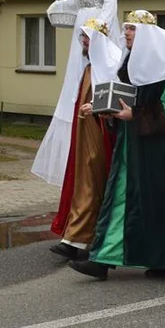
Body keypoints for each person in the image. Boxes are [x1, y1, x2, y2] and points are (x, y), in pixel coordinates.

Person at [70, 10, 165, 281]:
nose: (126, 34)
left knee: (157, 202)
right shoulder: (128, 64)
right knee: (120, 198)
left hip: (157, 152)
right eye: (126, 29)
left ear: (146, 34)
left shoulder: (164, 69)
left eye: (132, 29)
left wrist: (134, 116)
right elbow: (124, 98)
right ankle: (101, 258)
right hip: (130, 145)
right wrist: (102, 108)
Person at [33, 0, 155, 189]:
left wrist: (99, 28)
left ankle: (102, 118)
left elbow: (110, 2)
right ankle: (74, 140)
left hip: (99, 27)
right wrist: (59, 4)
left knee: (101, 70)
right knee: (77, 76)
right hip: (82, 25)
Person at [47, 19, 121, 261]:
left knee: (91, 184)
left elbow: (118, 98)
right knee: (82, 183)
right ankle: (78, 238)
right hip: (84, 132)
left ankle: (79, 239)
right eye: (83, 38)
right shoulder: (91, 67)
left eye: (87, 38)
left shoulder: (110, 65)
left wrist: (98, 107)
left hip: (99, 134)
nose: (84, 42)